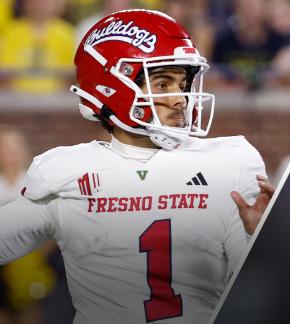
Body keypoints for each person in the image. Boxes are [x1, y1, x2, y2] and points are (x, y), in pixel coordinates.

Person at [0, 9, 274, 324]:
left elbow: (266, 290)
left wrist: (264, 238)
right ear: (110, 87)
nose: (180, 99)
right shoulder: (69, 172)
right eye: (162, 83)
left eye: (182, 83)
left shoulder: (229, 161)